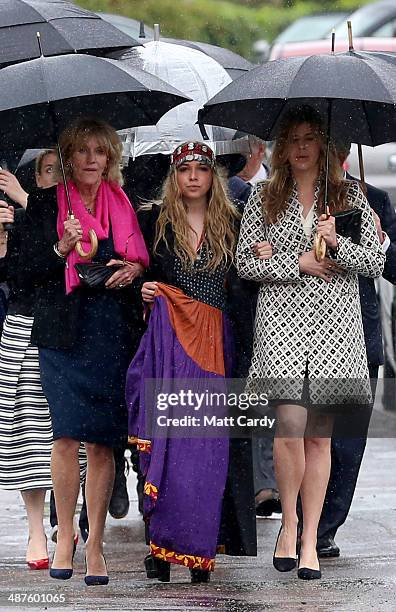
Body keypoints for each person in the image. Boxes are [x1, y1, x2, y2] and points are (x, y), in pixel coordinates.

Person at [236, 105, 385, 580]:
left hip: (335, 327)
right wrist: (296, 264)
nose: (300, 147)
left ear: (322, 144)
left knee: (319, 436)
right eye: (292, 139)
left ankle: (309, 540)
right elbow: (246, 263)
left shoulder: (350, 198)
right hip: (280, 322)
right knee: (288, 429)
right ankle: (290, 520)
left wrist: (337, 242)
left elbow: (374, 264)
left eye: (308, 138)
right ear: (281, 148)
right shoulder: (263, 197)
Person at [19, 118, 149, 585]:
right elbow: (19, 271)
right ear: (68, 157)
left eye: (101, 151)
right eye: (83, 151)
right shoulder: (43, 204)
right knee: (66, 436)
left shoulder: (125, 204)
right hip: (63, 333)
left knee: (102, 440)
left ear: (110, 157)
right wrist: (61, 246)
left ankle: (95, 543)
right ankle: (66, 536)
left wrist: (133, 271)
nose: (92, 159)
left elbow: (140, 258)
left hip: (112, 332)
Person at [126, 141, 257, 584]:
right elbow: (135, 272)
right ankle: (160, 546)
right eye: (185, 170)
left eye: (202, 169)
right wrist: (144, 287)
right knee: (169, 445)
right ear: (174, 177)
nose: (194, 177)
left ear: (214, 177)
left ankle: (200, 547)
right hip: (170, 347)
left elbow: (247, 286)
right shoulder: (153, 222)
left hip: (217, 347)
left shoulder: (234, 226)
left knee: (206, 449)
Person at [317, 142, 396, 558]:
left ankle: (326, 526)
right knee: (304, 436)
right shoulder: (284, 199)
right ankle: (302, 520)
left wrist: (381, 243)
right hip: (302, 338)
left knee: (346, 443)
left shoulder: (373, 199)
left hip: (358, 338)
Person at [0, 169, 49, 570]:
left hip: (69, 327)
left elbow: (86, 247)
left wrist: (26, 200)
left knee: (67, 433)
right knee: (27, 430)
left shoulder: (82, 205)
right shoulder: (16, 216)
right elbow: (12, 275)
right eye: (45, 171)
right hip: (22, 323)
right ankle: (36, 527)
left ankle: (69, 520)